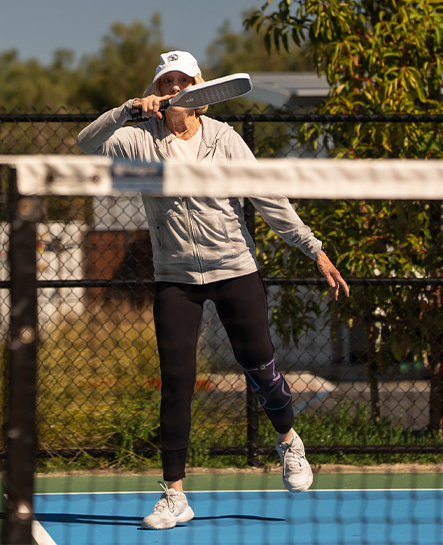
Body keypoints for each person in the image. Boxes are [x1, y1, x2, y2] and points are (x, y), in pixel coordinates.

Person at [77, 50, 350, 530]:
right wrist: (126, 109)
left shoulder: (226, 140)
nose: (173, 89)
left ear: (201, 92)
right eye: (166, 83)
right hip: (174, 275)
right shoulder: (136, 139)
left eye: (183, 82)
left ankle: (288, 441)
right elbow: (85, 143)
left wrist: (315, 249)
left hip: (233, 268)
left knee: (260, 367)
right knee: (176, 381)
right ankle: (175, 494)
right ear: (159, 93)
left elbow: (269, 198)